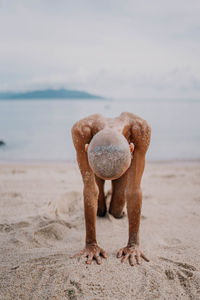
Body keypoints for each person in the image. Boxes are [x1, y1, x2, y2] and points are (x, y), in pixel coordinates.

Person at [71, 112, 151, 266]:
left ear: (131, 148)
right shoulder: (81, 131)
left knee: (116, 211)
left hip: (121, 162)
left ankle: (112, 194)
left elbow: (134, 189)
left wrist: (133, 244)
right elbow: (89, 188)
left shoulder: (140, 129)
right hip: (97, 160)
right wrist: (90, 243)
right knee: (100, 211)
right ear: (86, 149)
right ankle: (105, 196)